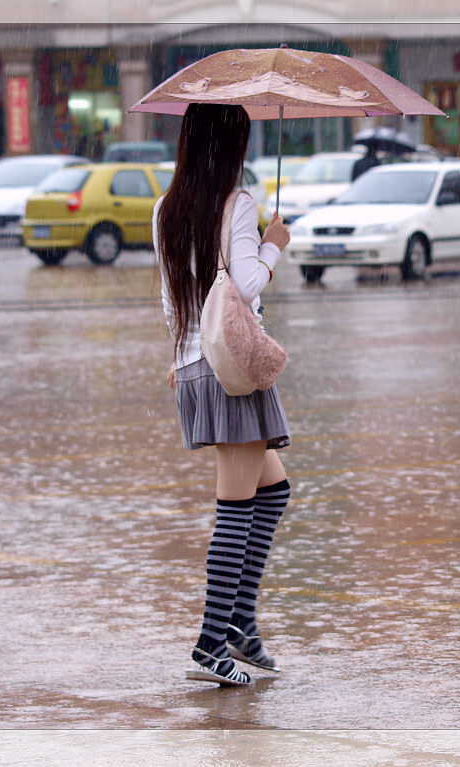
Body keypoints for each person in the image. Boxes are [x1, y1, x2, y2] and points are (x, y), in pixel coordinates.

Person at [154, 103, 292, 687]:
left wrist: (178, 354)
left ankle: (239, 624)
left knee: (275, 487)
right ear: (232, 146)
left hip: (195, 360)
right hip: (227, 367)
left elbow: (169, 290)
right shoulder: (237, 205)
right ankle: (212, 644)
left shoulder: (166, 207)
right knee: (234, 507)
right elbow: (246, 281)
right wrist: (274, 244)